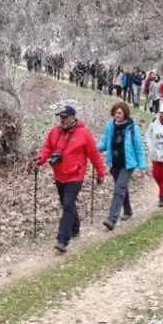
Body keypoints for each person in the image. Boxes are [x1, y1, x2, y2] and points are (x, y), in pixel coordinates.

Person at [36, 105, 106, 253]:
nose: (62, 120)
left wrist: (101, 173)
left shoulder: (84, 134)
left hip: (75, 175)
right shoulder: (54, 132)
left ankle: (62, 240)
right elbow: (47, 148)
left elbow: (94, 155)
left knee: (68, 204)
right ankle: (75, 228)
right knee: (66, 203)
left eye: (65, 117)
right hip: (59, 175)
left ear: (73, 117)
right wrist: (40, 159)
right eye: (60, 117)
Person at [98, 102, 147, 230]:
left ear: (125, 113)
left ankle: (111, 219)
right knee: (122, 189)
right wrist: (93, 149)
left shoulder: (132, 128)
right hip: (114, 163)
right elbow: (105, 142)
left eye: (119, 113)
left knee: (119, 190)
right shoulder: (110, 126)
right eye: (115, 112)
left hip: (127, 164)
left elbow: (138, 148)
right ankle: (128, 211)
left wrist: (142, 167)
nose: (117, 115)